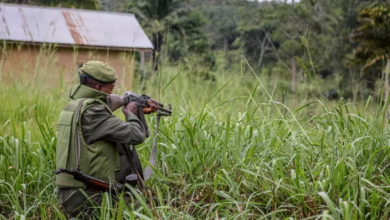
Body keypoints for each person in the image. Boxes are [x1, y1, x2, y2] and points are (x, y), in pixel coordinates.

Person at [55, 60, 158, 218]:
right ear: (97, 88)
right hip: (87, 195)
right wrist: (130, 112)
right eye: (110, 89)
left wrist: (127, 100)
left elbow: (107, 102)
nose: (111, 94)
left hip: (72, 191)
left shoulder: (75, 106)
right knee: (143, 206)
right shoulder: (93, 113)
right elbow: (137, 135)